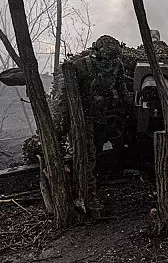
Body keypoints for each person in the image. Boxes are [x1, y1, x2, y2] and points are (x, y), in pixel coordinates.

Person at [53, 35, 130, 216]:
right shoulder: (80, 67)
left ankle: (89, 183)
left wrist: (129, 108)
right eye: (106, 59)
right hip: (82, 116)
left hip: (102, 115)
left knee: (96, 149)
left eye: (112, 58)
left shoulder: (117, 65)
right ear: (97, 53)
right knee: (86, 154)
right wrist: (63, 124)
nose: (109, 63)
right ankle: (88, 195)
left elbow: (121, 89)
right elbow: (65, 97)